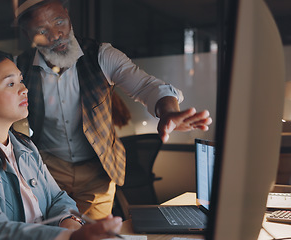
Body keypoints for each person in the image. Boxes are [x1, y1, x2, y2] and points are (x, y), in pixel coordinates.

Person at [13, 0, 213, 220]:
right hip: (47, 170)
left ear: (69, 16)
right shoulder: (18, 68)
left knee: (95, 233)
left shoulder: (101, 55)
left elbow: (147, 86)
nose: (56, 34)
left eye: (60, 21)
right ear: (27, 33)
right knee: (51, 232)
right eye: (42, 30)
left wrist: (168, 111)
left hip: (97, 173)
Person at [0, 49, 122, 240]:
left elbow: (58, 199)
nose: (24, 89)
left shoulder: (24, 146)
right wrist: (68, 238)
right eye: (10, 84)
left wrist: (71, 225)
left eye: (21, 80)